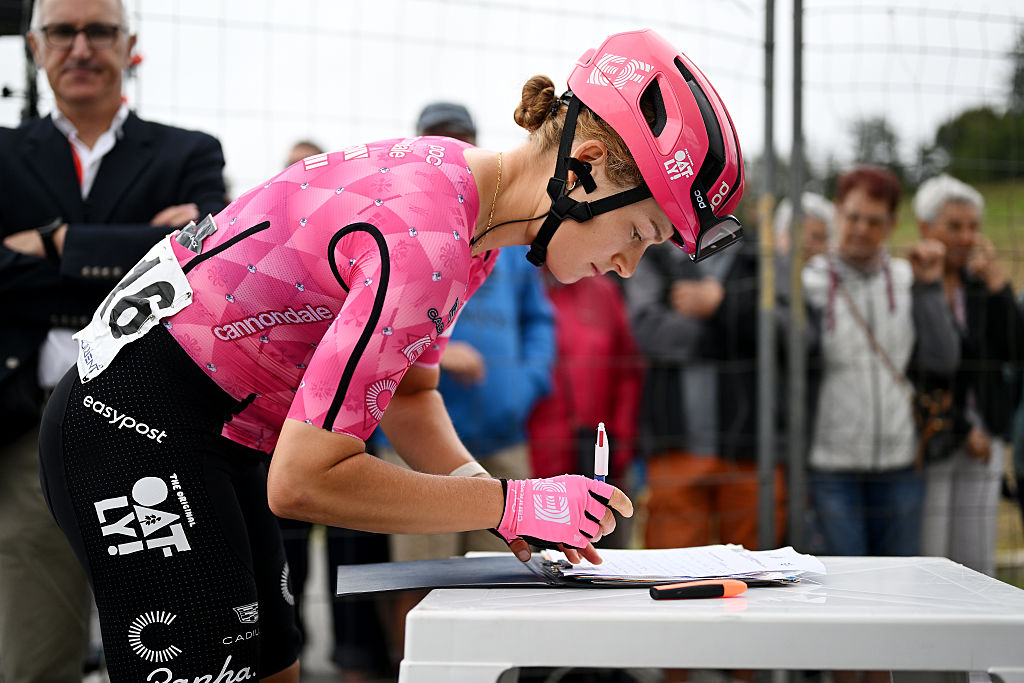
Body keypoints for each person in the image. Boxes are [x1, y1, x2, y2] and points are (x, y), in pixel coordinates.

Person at [37, 28, 743, 681]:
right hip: (134, 423)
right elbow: (306, 482)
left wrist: (505, 513)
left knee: (276, 665)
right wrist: (508, 496)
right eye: (642, 230)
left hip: (211, 424)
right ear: (585, 168)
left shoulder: (469, 207)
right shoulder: (429, 237)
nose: (627, 265)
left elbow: (409, 396)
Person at [0, 0, 226, 680]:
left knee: (171, 642)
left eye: (99, 30)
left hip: (155, 425)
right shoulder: (5, 154)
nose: (80, 47)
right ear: (37, 47)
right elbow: (165, 260)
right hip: (26, 428)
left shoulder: (190, 151)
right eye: (62, 32)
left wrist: (51, 243)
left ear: (130, 45)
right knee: (35, 647)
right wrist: (141, 246)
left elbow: (202, 264)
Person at [379, 101, 556, 657]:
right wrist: (440, 354)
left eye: (459, 139)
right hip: (415, 437)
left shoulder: (507, 239)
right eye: (437, 139)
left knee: (510, 581)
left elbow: (540, 321)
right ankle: (415, 671)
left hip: (502, 435)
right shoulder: (409, 226)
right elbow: (378, 330)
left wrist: (524, 386)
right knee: (420, 579)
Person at [802, 166, 958, 683]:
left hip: (899, 462)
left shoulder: (909, 279)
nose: (859, 229)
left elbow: (943, 356)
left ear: (891, 225)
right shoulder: (811, 280)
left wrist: (933, 291)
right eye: (851, 217)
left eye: (872, 220)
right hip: (832, 465)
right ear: (837, 212)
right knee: (845, 605)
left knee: (892, 601)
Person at [624, 228, 789, 556]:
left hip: (752, 448)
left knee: (756, 577)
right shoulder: (654, 251)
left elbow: (792, 330)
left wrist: (720, 306)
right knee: (674, 574)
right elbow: (647, 330)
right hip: (676, 444)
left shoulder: (763, 255)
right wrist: (735, 333)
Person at [913, 173, 1024, 577]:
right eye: (953, 226)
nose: (965, 236)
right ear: (925, 228)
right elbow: (919, 370)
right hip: (937, 433)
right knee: (933, 554)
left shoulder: (980, 288)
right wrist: (962, 427)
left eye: (973, 227)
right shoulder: (913, 287)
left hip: (987, 432)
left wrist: (999, 286)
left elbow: (1015, 350)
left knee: (977, 559)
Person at [526, 266, 643, 549]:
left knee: (602, 553)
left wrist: (621, 441)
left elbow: (627, 371)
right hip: (536, 453)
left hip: (598, 451)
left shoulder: (602, 292)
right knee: (541, 560)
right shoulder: (525, 286)